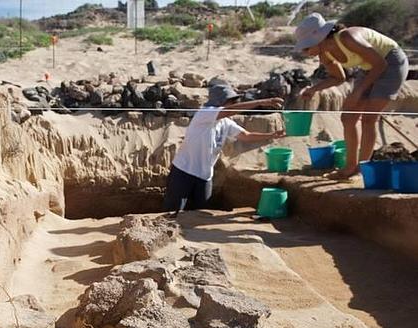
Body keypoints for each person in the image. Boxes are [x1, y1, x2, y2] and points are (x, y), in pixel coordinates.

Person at [294, 13, 409, 179]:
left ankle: (362, 169)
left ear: (319, 38)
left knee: (369, 118)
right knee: (348, 117)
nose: (305, 52)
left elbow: (380, 64)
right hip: (368, 67)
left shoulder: (348, 37)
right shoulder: (325, 54)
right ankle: (350, 167)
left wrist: (357, 91)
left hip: (391, 63)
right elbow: (338, 77)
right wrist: (313, 89)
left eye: (306, 47)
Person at [163, 84, 285, 214]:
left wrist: (271, 135)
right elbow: (230, 110)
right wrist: (263, 102)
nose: (233, 103)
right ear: (220, 101)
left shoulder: (225, 122)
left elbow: (246, 136)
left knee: (201, 214)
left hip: (205, 176)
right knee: (172, 212)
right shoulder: (205, 113)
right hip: (184, 171)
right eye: (230, 101)